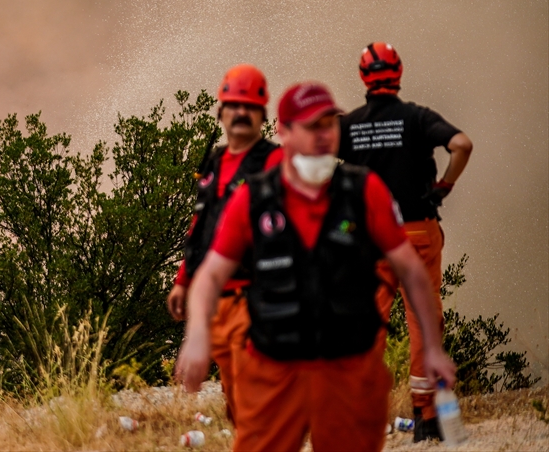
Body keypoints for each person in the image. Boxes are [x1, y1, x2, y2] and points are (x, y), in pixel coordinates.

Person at [175, 82, 455, 452]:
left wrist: (433, 349)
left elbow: (411, 269)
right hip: (274, 367)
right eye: (311, 126)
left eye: (330, 124)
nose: (323, 135)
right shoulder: (252, 198)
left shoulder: (364, 190)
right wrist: (196, 338)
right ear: (284, 132)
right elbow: (211, 274)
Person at [340, 41, 473, 441]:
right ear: (399, 73)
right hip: (417, 234)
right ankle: (427, 420)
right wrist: (444, 186)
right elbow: (462, 145)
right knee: (424, 324)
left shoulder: (350, 125)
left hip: (372, 241)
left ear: (363, 77)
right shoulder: (417, 118)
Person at [167, 64, 282, 424]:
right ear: (221, 111)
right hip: (213, 302)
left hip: (254, 301)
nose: (241, 113)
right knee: (236, 406)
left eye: (250, 106)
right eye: (234, 105)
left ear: (263, 114)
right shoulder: (214, 160)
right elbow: (200, 222)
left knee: (257, 406)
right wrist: (183, 280)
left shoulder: (275, 162)